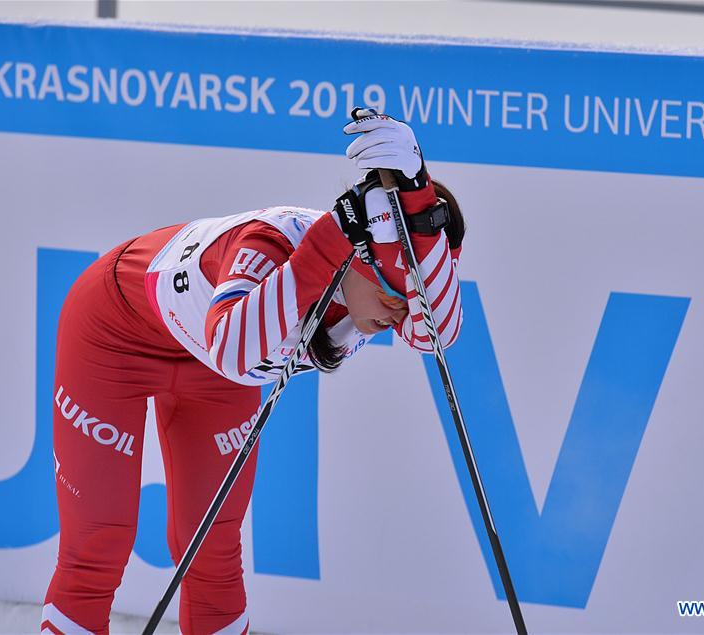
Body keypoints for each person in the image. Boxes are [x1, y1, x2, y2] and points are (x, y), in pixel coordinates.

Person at [41, 113, 465, 635]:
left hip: (212, 374)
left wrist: (418, 194)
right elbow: (235, 350)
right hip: (114, 335)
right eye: (390, 295)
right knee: (97, 545)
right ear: (354, 257)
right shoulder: (270, 243)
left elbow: (435, 335)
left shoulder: (372, 284)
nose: (398, 316)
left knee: (214, 551)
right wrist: (333, 234)